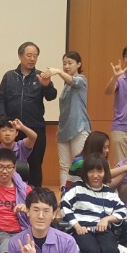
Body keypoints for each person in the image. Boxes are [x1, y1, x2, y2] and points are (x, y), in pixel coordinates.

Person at [60, 154, 127, 253]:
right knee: (91, 250)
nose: (95, 175)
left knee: (110, 251)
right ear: (85, 173)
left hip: (102, 229)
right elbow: (64, 206)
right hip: (81, 229)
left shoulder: (110, 193)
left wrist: (107, 219)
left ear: (105, 173)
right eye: (91, 171)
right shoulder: (76, 188)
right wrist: (76, 225)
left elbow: (123, 211)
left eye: (100, 171)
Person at [0, 41, 58, 187]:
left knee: (35, 165)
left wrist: (47, 85)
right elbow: (1, 100)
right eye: (29, 55)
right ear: (20, 56)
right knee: (10, 165)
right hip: (13, 129)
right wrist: (4, 123)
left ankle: (35, 195)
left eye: (35, 56)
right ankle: (11, 194)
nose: (32, 59)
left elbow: (51, 96)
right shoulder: (9, 76)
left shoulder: (40, 76)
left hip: (35, 129)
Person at [54, 52, 91, 186]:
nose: (66, 66)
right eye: (64, 64)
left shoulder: (81, 79)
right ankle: (64, 194)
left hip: (79, 128)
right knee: (64, 166)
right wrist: (59, 128)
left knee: (80, 164)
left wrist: (58, 71)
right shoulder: (66, 85)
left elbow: (73, 81)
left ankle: (81, 193)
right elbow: (64, 111)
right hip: (64, 130)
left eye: (70, 63)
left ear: (79, 64)